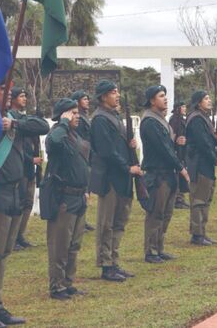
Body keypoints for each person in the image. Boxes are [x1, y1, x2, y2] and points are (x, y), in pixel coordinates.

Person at [0, 82, 49, 328]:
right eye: (2, 88)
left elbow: (42, 126)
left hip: (13, 192)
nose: (8, 94)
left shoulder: (9, 116)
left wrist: (13, 124)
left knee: (2, 254)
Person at [89, 80, 141, 282]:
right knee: (106, 223)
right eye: (112, 92)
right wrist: (127, 167)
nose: (117, 95)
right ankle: (105, 264)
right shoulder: (100, 119)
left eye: (117, 91)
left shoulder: (114, 116)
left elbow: (117, 145)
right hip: (110, 177)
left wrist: (130, 143)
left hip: (122, 177)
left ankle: (114, 261)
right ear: (103, 97)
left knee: (119, 222)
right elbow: (106, 151)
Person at [44, 98, 89, 300]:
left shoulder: (74, 135)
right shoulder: (57, 134)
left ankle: (68, 282)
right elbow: (53, 143)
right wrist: (62, 122)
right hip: (63, 196)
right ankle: (57, 286)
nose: (76, 116)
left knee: (74, 244)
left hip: (79, 195)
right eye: (72, 112)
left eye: (77, 112)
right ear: (63, 115)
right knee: (59, 245)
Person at [140, 85, 190, 263]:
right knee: (156, 213)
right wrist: (181, 167)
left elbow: (169, 146)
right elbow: (163, 149)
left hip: (168, 172)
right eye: (161, 96)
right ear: (152, 100)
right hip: (158, 173)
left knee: (166, 213)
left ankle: (159, 248)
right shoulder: (150, 121)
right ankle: (151, 251)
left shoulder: (161, 120)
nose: (166, 99)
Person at [186, 90, 217, 245]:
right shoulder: (197, 119)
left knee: (205, 198)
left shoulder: (203, 117)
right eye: (206, 98)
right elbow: (202, 143)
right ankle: (197, 234)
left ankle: (202, 231)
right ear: (198, 102)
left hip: (205, 163)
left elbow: (207, 140)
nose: (209, 101)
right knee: (199, 200)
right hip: (199, 163)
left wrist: (216, 139)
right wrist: (215, 160)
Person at [11, 87, 42, 250]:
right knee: (20, 203)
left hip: (30, 169)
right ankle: (13, 237)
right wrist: (31, 160)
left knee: (28, 203)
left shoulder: (24, 120)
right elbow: (16, 149)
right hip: (21, 168)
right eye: (21, 96)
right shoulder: (12, 119)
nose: (24, 99)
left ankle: (20, 235)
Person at [71, 90, 96, 232]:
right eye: (84, 99)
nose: (87, 101)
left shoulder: (85, 116)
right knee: (83, 189)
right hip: (83, 155)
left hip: (88, 155)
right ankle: (80, 221)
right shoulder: (79, 118)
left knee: (87, 188)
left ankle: (82, 219)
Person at [168, 101, 189, 209]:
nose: (185, 108)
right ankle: (177, 199)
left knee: (182, 174)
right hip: (177, 150)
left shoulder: (182, 120)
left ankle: (181, 197)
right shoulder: (174, 120)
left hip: (183, 150)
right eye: (183, 106)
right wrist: (176, 140)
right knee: (178, 174)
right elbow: (172, 135)